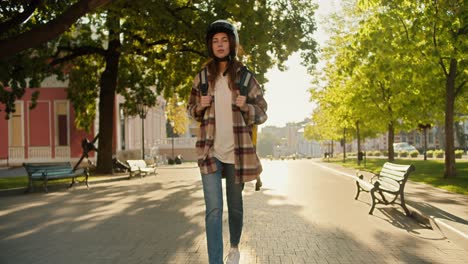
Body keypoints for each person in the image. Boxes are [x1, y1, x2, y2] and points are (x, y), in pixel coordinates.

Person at [188, 20, 268, 264]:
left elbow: (263, 112)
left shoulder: (244, 76)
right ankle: (215, 261)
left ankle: (233, 247)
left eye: (224, 40)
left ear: (232, 43)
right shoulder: (202, 77)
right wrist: (198, 107)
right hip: (209, 152)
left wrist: (247, 107)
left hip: (238, 153)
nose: (219, 45)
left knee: (234, 207)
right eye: (215, 41)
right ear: (210, 45)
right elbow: (190, 109)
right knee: (213, 210)